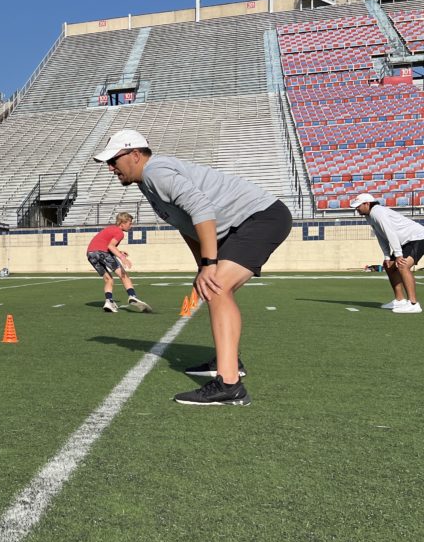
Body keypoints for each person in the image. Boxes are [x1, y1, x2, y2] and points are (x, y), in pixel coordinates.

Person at [95, 129, 291, 406]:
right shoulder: (146, 182)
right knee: (214, 286)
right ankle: (229, 363)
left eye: (114, 160)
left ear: (135, 155)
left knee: (217, 286)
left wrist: (211, 264)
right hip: (243, 224)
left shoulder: (155, 173)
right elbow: (187, 225)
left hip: (260, 218)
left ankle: (230, 385)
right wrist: (202, 265)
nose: (111, 167)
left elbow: (201, 209)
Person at [350, 192, 424, 314]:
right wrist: (387, 256)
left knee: (403, 265)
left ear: (367, 204)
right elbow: (381, 236)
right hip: (405, 242)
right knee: (389, 266)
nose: (356, 208)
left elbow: (390, 233)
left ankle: (413, 303)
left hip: (418, 237)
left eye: (358, 206)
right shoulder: (369, 215)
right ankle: (400, 300)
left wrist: (398, 255)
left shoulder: (377, 212)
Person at [86, 212, 151, 313]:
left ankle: (109, 301)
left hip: (90, 254)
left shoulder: (109, 228)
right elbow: (110, 246)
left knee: (108, 279)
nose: (131, 225)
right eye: (129, 223)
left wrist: (119, 252)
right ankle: (132, 296)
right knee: (123, 275)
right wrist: (122, 257)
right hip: (102, 253)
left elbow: (104, 244)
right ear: (122, 223)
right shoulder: (119, 232)